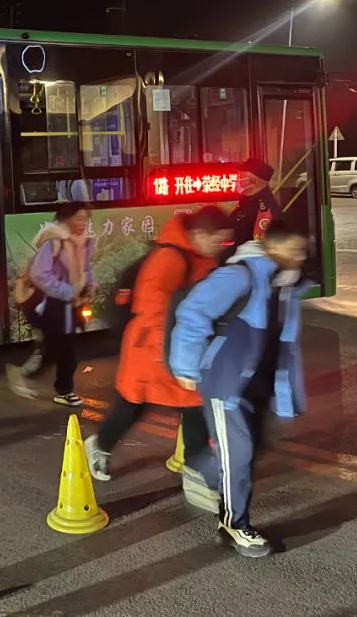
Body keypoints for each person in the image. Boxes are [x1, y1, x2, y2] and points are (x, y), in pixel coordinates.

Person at [169, 220, 311, 558]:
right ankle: (233, 525)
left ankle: (201, 469)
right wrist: (186, 366)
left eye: (303, 251)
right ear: (273, 246)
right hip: (227, 383)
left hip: (259, 384)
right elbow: (192, 312)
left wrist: (289, 394)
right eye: (293, 250)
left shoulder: (287, 285)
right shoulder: (240, 275)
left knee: (252, 448)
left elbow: (286, 346)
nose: (300, 257)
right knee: (240, 454)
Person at [84, 207, 233, 513]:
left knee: (188, 407)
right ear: (200, 234)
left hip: (170, 348)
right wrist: (173, 361)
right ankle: (100, 446)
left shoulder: (198, 257)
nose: (221, 248)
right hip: (152, 350)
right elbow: (154, 313)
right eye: (218, 241)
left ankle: (194, 475)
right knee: (135, 404)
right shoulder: (170, 258)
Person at [7, 202, 97, 407]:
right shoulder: (53, 242)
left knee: (60, 349)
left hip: (71, 304)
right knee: (62, 349)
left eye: (86, 218)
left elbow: (86, 268)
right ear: (66, 219)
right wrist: (67, 291)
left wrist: (91, 284)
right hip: (51, 304)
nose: (83, 223)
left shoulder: (83, 243)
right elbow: (40, 274)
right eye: (78, 218)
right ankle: (59, 388)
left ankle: (34, 378)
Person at [227, 157, 283, 249]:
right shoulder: (247, 201)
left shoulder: (264, 209)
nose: (236, 180)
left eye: (240, 177)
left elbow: (259, 245)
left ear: (253, 181)